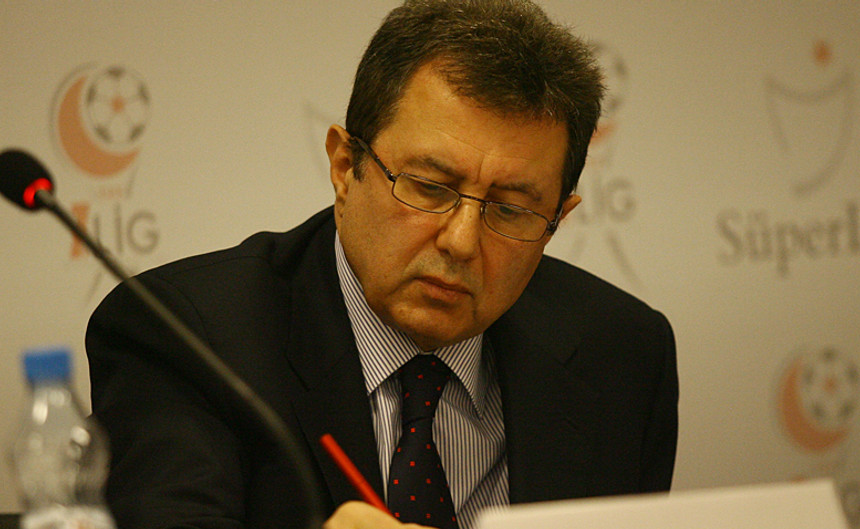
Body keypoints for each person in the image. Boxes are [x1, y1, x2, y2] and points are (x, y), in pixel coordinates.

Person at [85, 1, 678, 528]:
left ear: (558, 217)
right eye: (428, 187)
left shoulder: (623, 354)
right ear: (346, 167)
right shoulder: (186, 337)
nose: (462, 242)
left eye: (512, 210)